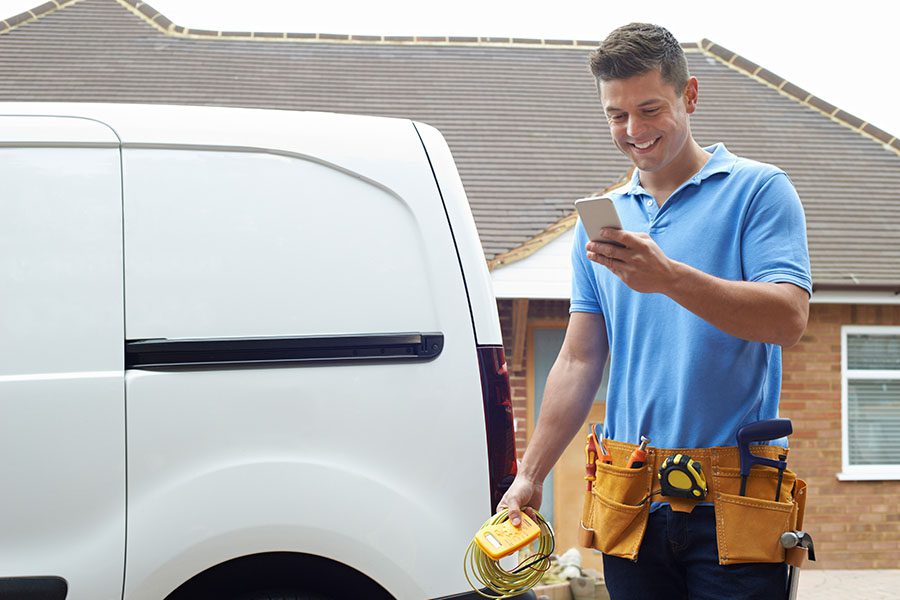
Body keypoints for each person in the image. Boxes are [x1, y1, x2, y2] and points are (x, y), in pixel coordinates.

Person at [498, 22, 811, 600]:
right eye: (617, 115)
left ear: (690, 95)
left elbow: (788, 319)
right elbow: (577, 358)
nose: (633, 131)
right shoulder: (603, 219)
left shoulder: (759, 191)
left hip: (734, 501)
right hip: (629, 499)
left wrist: (668, 277)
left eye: (649, 109)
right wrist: (530, 475)